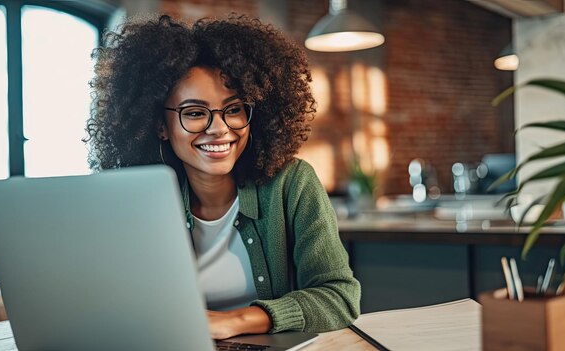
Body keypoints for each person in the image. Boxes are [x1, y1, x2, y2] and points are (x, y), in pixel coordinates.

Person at [85, 14, 360, 340]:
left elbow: (339, 297)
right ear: (160, 125)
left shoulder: (291, 184)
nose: (220, 128)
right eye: (195, 113)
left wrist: (237, 320)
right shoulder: (139, 202)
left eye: (233, 109)